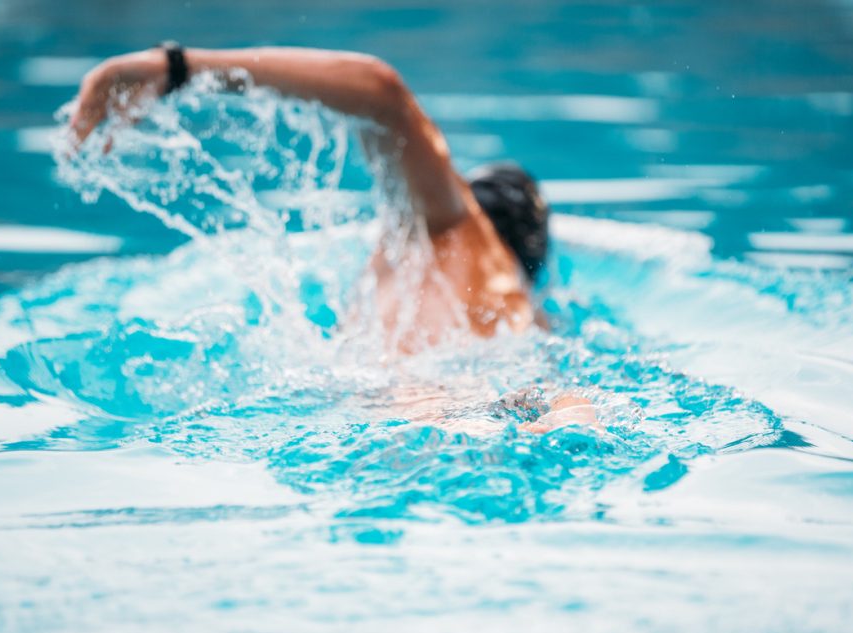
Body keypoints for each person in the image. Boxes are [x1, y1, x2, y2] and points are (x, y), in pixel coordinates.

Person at [71, 44, 596, 432]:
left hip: (413, 409)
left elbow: (382, 90)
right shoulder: (526, 309)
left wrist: (177, 67)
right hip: (511, 403)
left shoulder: (441, 230)